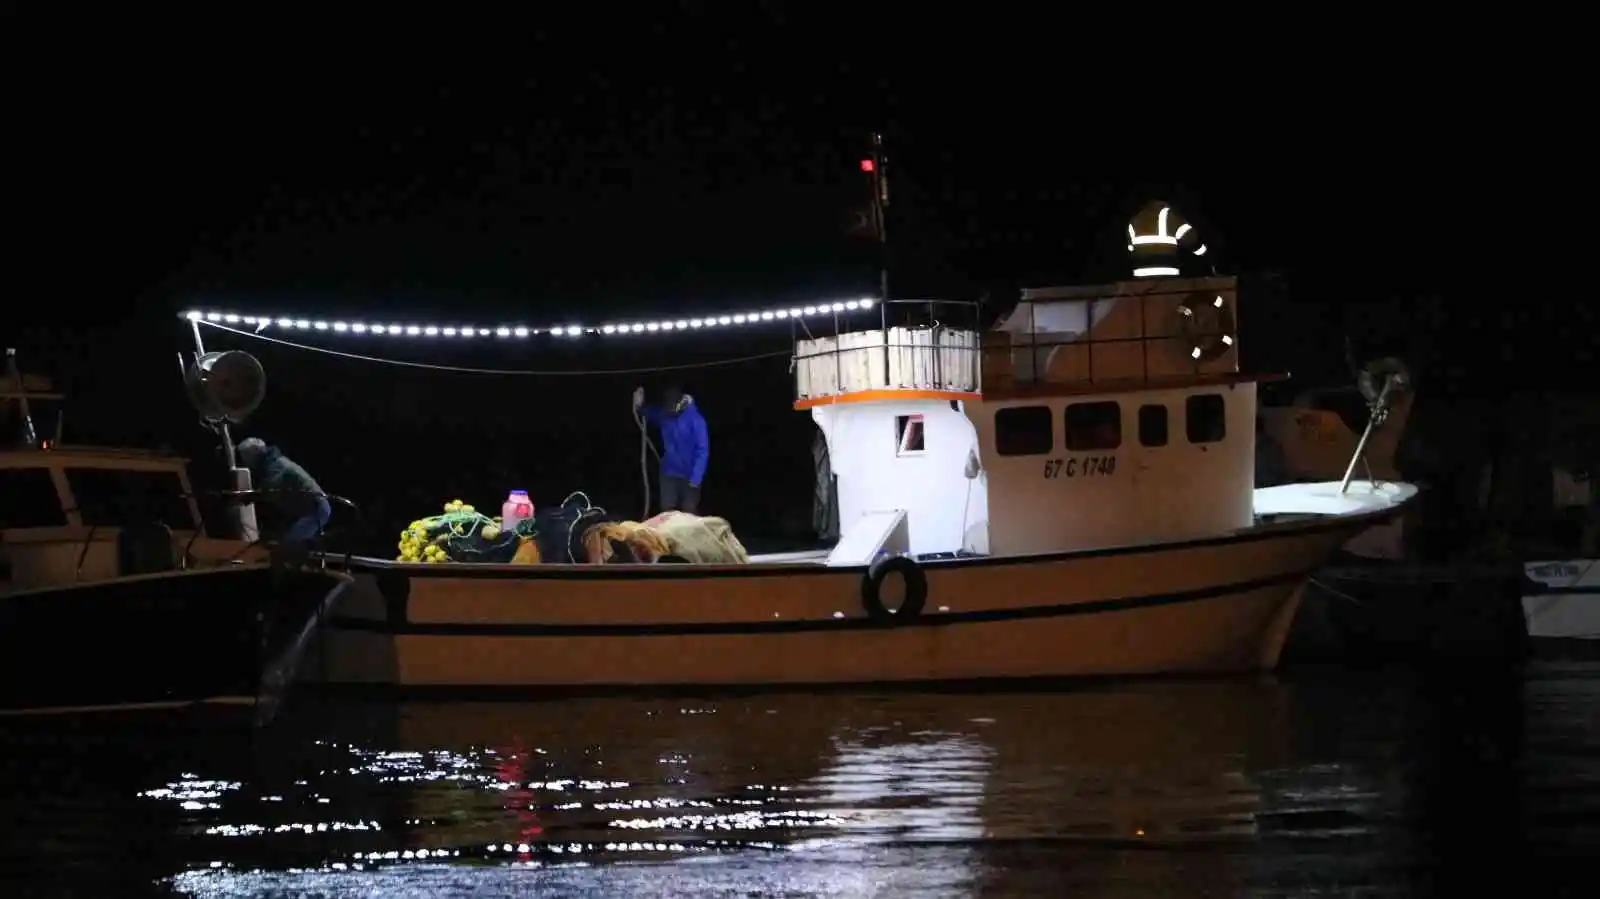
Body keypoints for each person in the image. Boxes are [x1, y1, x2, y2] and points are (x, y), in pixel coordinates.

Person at [236, 437, 331, 543]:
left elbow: (271, 490)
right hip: (308, 508)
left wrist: (247, 498)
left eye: (246, 456)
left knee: (290, 544)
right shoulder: (274, 463)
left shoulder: (276, 466)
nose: (245, 461)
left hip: (315, 508)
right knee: (287, 541)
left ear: (254, 454)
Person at [633, 385, 709, 514]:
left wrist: (696, 478)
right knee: (667, 513)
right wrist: (640, 406)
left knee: (689, 514)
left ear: (681, 403)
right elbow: (652, 414)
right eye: (668, 406)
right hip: (669, 473)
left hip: (690, 476)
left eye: (672, 406)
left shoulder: (696, 420)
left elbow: (702, 450)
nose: (670, 409)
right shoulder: (666, 415)